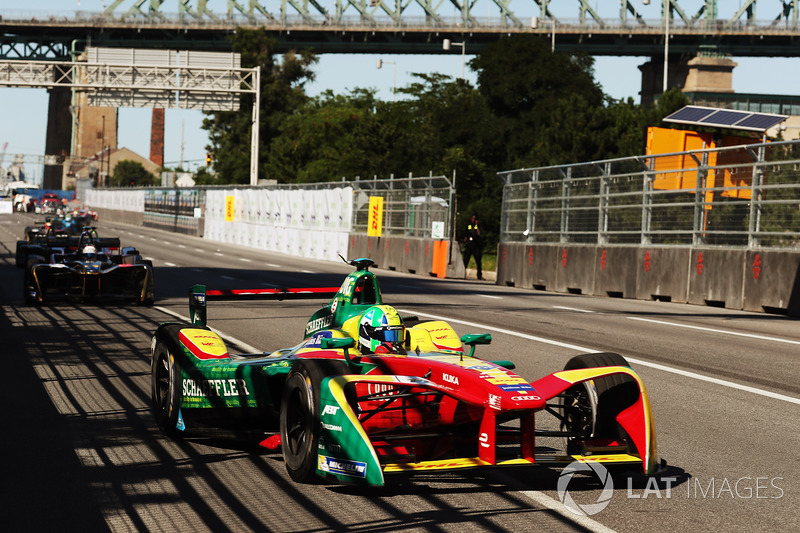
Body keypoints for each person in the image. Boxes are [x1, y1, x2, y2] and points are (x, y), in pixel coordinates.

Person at [463, 213, 483, 280]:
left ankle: (479, 275)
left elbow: (478, 233)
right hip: (469, 244)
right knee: (465, 259)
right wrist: (465, 240)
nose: (472, 220)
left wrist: (476, 225)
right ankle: (463, 272)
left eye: (474, 219)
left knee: (478, 261)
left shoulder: (477, 226)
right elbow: (468, 232)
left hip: (476, 245)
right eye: (472, 218)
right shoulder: (469, 226)